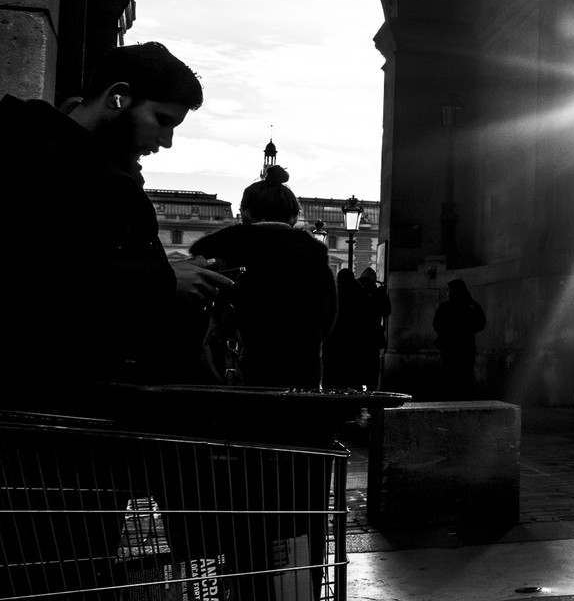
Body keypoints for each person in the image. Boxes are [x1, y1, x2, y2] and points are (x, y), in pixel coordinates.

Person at [0, 42, 233, 407]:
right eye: (162, 120)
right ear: (118, 98)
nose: (167, 141)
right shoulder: (32, 160)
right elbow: (34, 281)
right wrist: (165, 281)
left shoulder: (86, 164)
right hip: (55, 407)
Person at [190, 166, 336, 388]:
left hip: (230, 373)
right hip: (299, 372)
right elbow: (328, 314)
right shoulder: (313, 255)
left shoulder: (221, 249)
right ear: (294, 217)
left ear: (245, 214)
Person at [433, 278, 486, 398]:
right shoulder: (471, 305)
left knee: (449, 375)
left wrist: (448, 333)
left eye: (449, 290)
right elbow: (481, 323)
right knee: (465, 376)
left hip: (449, 347)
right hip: (466, 347)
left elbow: (436, 325)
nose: (448, 292)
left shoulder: (445, 307)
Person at [358, 266, 392, 390]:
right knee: (372, 368)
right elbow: (386, 311)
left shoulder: (355, 291)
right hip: (373, 336)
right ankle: (371, 390)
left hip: (357, 337)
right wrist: (383, 293)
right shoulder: (377, 293)